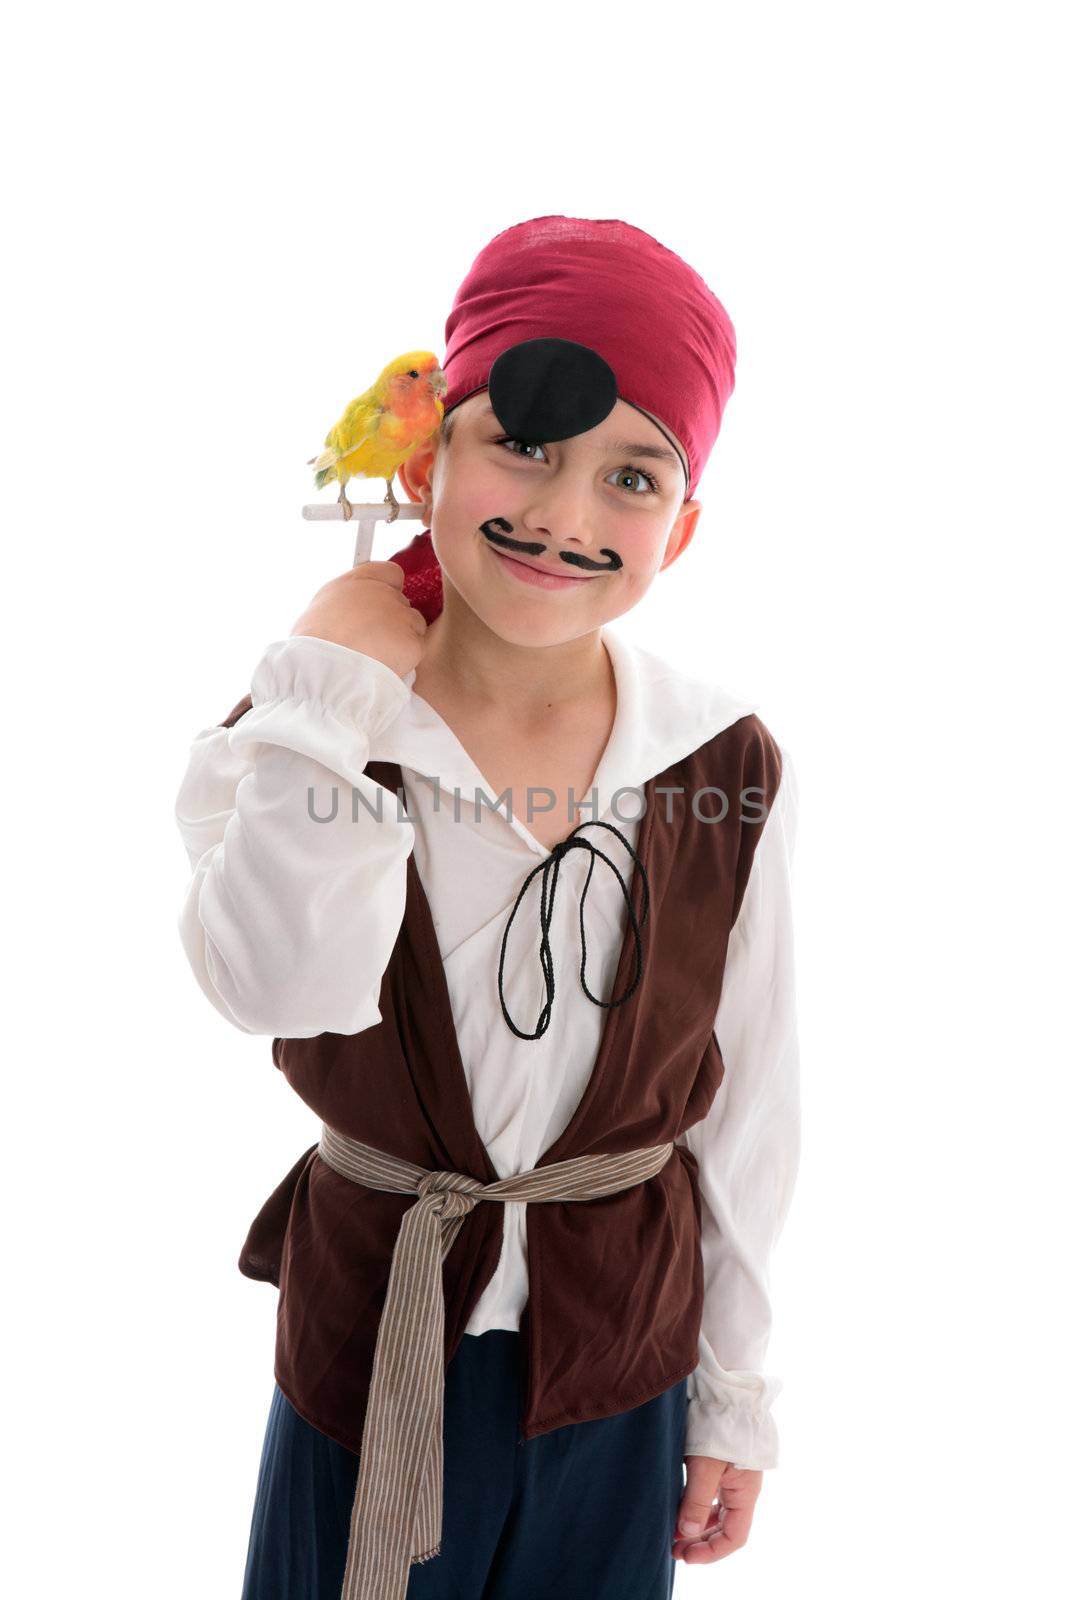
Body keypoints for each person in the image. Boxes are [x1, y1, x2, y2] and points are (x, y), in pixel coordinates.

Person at [174, 214, 801, 1600]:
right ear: (430, 456)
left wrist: (736, 1395)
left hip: (620, 1362)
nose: (566, 516)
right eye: (524, 443)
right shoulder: (316, 725)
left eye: (631, 477)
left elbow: (752, 1097)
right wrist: (336, 687)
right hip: (379, 1347)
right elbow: (276, 987)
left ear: (681, 529)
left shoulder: (720, 764)